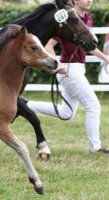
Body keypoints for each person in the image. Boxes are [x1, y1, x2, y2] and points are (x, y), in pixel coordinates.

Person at [27, 0, 109, 153]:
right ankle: (96, 147)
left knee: (67, 113)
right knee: (93, 106)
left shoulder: (88, 19)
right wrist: (57, 65)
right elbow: (48, 45)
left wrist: (106, 58)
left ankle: (27, 105)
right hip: (69, 70)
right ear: (75, 1)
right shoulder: (66, 20)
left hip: (78, 69)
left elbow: (88, 46)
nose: (89, 0)